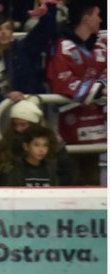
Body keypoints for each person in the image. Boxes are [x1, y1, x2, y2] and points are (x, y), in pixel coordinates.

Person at [0, 6, 58, 185]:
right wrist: (3, 99)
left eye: (8, 28)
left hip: (25, 128)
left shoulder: (24, 50)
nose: (4, 33)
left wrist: (51, 8)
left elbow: (45, 32)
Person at [45, 0, 106, 185]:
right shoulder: (62, 47)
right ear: (86, 18)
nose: (101, 20)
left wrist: (98, 88)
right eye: (97, 15)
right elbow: (62, 83)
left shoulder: (101, 47)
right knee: (70, 183)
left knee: (94, 187)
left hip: (96, 130)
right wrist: (99, 90)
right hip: (69, 130)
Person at [0, 97, 72, 184]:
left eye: (23, 125)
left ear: (34, 123)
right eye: (15, 125)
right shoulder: (9, 140)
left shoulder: (52, 139)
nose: (18, 128)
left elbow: (65, 169)